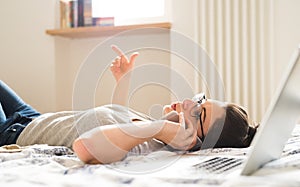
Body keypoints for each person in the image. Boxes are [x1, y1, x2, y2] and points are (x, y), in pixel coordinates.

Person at [0, 45, 258, 164]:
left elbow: (85, 146)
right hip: (33, 116)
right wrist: (124, 82)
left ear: (195, 141)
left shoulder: (149, 143)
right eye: (201, 100)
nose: (189, 101)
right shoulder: (149, 125)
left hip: (13, 133)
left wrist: (159, 129)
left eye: (198, 113)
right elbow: (116, 121)